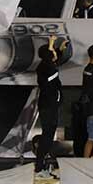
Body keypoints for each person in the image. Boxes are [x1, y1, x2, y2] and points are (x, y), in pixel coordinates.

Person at [36, 36, 67, 176]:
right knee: (47, 134)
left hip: (52, 105)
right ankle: (39, 164)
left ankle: (43, 161)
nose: (55, 55)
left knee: (49, 134)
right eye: (53, 53)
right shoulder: (44, 67)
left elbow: (54, 59)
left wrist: (59, 49)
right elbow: (50, 60)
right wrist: (51, 43)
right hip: (47, 105)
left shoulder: (49, 65)